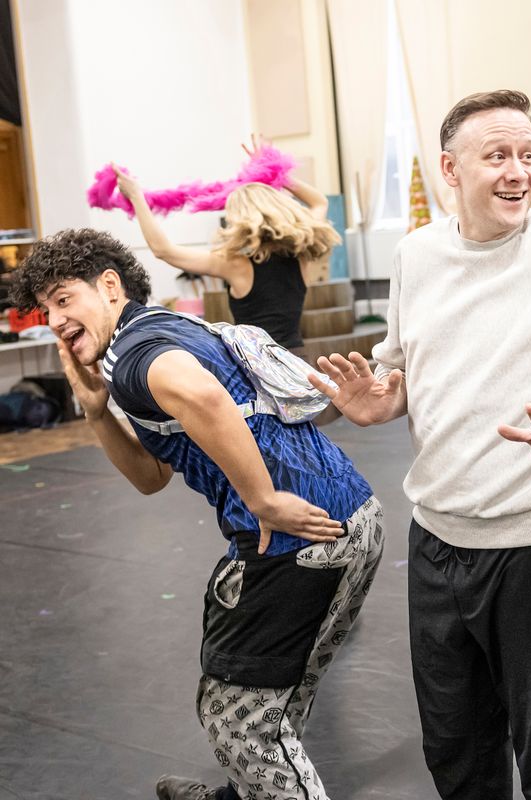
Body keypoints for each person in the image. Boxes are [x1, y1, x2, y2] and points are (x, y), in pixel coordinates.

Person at [310, 89, 531, 800]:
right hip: (438, 546)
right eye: (497, 155)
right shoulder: (417, 255)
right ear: (450, 169)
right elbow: (405, 364)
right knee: (456, 751)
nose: (519, 171)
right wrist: (382, 398)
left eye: (529, 155)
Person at [11, 228, 383, 800]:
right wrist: (95, 411)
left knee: (238, 721)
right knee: (271, 697)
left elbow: (202, 396)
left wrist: (261, 498)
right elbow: (151, 477)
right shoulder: (159, 331)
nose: (55, 320)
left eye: (64, 300)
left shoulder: (134, 354)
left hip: (295, 539)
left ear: (109, 287)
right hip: (355, 519)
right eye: (47, 310)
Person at [116, 135, 340, 356]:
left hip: (256, 366)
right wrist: (274, 172)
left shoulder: (236, 264)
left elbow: (163, 250)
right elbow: (319, 201)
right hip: (297, 359)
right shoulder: (301, 254)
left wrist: (137, 196)